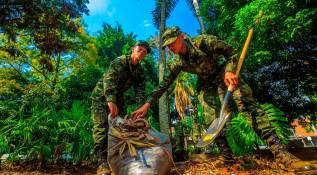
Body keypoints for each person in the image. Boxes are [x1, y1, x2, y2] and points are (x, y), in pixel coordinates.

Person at [132, 26, 316, 172]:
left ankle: (282, 154)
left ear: (181, 37)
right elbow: (163, 84)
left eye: (173, 43)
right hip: (206, 84)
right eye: (168, 47)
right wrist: (147, 104)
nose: (171, 48)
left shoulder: (204, 42)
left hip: (224, 74)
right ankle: (227, 156)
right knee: (212, 117)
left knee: (247, 105)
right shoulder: (178, 63)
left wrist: (229, 70)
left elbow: (232, 52)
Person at [91, 41, 151, 175]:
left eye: (144, 52)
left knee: (122, 127)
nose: (141, 53)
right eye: (139, 49)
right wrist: (110, 100)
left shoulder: (140, 71)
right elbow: (109, 79)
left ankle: (118, 159)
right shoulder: (120, 61)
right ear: (133, 49)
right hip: (101, 96)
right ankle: (101, 163)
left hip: (118, 98)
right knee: (101, 127)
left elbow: (140, 91)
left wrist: (141, 109)